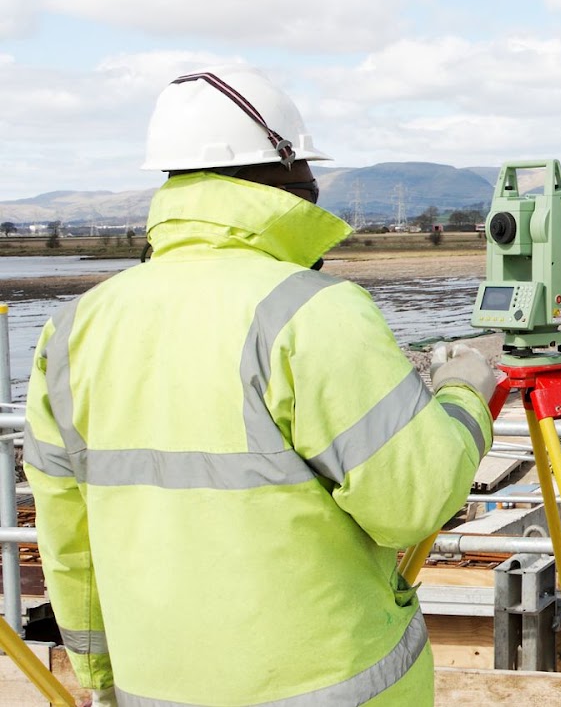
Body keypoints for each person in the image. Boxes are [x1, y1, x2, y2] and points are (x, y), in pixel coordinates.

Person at [22, 66, 496, 705]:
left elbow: (66, 533)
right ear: (280, 173)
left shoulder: (73, 326)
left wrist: (104, 682)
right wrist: (463, 392)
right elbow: (410, 502)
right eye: (308, 178)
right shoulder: (314, 310)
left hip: (153, 689)